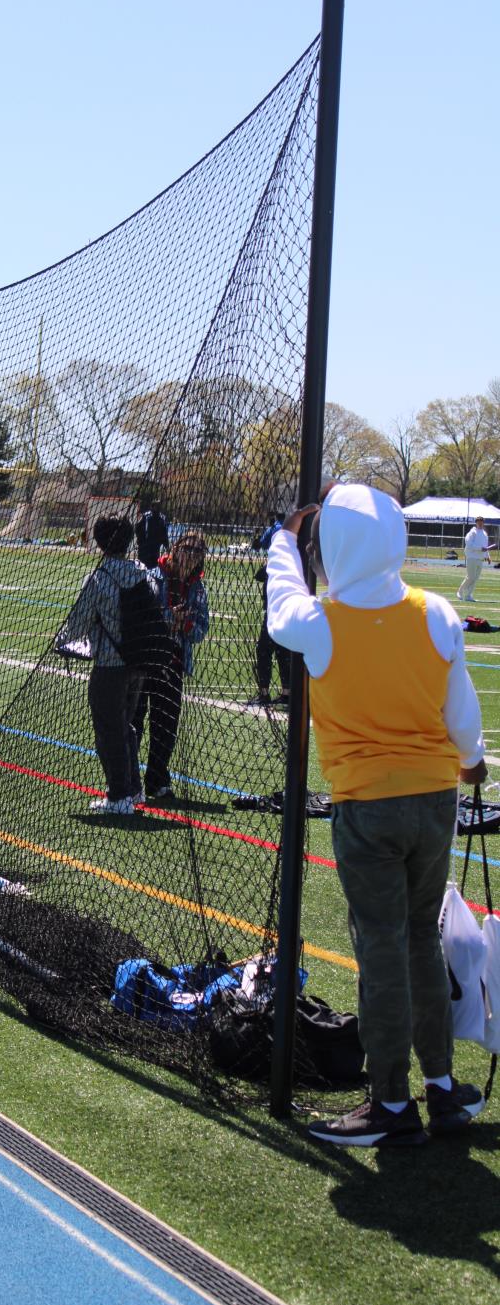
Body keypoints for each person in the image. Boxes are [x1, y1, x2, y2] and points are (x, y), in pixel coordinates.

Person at [267, 483, 487, 1146]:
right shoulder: (436, 611)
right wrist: (472, 762)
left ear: (335, 545)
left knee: (382, 947)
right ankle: (441, 1087)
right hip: (435, 798)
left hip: (367, 804)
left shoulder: (321, 622)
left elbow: (281, 603)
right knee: (421, 939)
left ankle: (390, 1101)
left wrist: (284, 539)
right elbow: (462, 711)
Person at [60, 516, 149, 815]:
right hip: (138, 663)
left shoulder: (98, 578)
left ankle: (119, 795)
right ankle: (133, 789)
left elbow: (77, 624)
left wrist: (61, 641)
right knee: (126, 727)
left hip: (110, 666)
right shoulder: (142, 573)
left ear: (100, 543)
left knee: (109, 732)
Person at [141, 532, 209, 804]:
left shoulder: (198, 588)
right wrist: (171, 618)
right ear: (175, 548)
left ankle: (157, 780)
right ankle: (128, 782)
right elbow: (144, 617)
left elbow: (201, 630)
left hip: (175, 663)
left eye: (198, 551)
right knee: (134, 722)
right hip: (145, 660)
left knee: (166, 727)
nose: (192, 555)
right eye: (187, 548)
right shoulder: (152, 577)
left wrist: (186, 625)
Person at [252, 509, 290, 705]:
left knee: (264, 649)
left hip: (276, 604)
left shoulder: (276, 529)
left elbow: (260, 545)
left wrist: (258, 540)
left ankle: (264, 692)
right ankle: (287, 692)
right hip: (289, 602)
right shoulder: (294, 531)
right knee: (283, 649)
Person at [458, 516, 491, 603]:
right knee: (471, 577)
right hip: (472, 557)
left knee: (475, 578)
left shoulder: (485, 534)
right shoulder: (472, 532)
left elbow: (485, 546)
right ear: (476, 523)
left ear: (483, 523)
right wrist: (480, 548)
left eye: (481, 522)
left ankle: (468, 595)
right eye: (478, 522)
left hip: (480, 558)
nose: (480, 523)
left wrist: (488, 556)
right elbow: (469, 544)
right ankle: (460, 592)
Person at [135, 498, 171, 570]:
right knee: (143, 567)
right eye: (156, 506)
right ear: (152, 507)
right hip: (144, 548)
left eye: (159, 506)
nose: (158, 508)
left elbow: (164, 534)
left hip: (154, 549)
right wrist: (140, 541)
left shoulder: (162, 519)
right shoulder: (146, 517)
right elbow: (137, 528)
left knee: (152, 568)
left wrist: (167, 546)